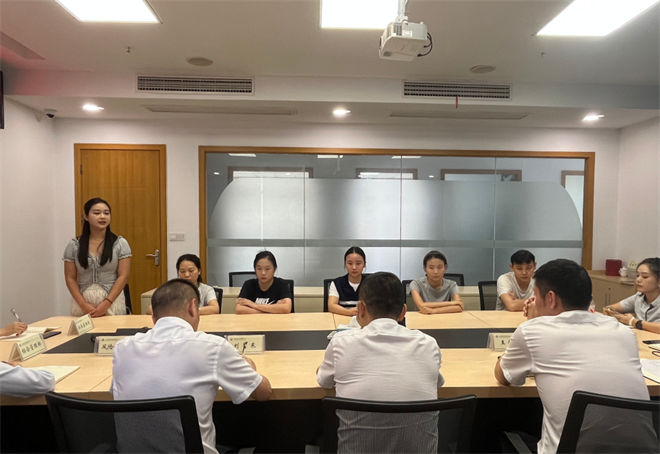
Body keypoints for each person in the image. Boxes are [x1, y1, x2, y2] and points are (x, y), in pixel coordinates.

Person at [494, 259, 650, 454]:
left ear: (551, 298)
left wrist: (533, 322)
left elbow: (503, 376)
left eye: (535, 295)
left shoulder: (532, 331)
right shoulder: (624, 332)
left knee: (502, 435)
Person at [112, 279, 272, 454]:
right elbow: (264, 392)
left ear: (154, 317)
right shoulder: (212, 347)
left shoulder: (122, 349)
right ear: (192, 307)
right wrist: (248, 367)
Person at [318, 271, 444, 400]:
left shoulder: (341, 342)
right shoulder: (428, 344)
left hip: (356, 415)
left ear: (361, 308)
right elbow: (437, 382)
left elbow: (324, 382)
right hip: (419, 414)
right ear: (403, 312)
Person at [63, 197, 131, 317]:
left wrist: (106, 303)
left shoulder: (120, 243)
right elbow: (70, 278)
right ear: (86, 216)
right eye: (96, 213)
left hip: (112, 301)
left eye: (106, 213)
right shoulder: (74, 245)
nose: (102, 217)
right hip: (83, 302)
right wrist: (83, 304)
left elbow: (123, 276)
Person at [147, 254, 219, 315]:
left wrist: (187, 312)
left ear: (199, 271)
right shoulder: (171, 289)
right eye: (182, 271)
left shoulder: (206, 289)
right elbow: (150, 309)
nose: (187, 275)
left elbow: (215, 308)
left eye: (191, 271)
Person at [604, 257, 660, 334]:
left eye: (645, 276)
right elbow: (610, 308)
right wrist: (613, 313)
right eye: (637, 275)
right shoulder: (639, 297)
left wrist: (634, 322)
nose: (638, 280)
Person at [327, 246, 368, 316]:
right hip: (342, 319)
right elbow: (331, 306)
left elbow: (377, 305)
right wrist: (349, 312)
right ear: (345, 264)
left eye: (358, 263)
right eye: (350, 263)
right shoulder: (337, 283)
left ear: (364, 264)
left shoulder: (371, 283)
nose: (354, 267)